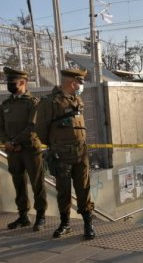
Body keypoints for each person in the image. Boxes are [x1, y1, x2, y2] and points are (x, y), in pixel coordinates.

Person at [35, 68, 95, 240]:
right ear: (72, 83)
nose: (81, 86)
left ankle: (88, 223)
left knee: (84, 189)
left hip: (81, 153)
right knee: (63, 191)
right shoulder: (49, 102)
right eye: (80, 82)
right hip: (61, 155)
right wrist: (56, 145)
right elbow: (41, 130)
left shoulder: (77, 99)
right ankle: (65, 224)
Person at [0, 67, 47, 231]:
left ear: (23, 82)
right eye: (8, 82)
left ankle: (40, 215)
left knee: (37, 183)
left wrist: (15, 141)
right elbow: (1, 127)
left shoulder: (33, 103)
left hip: (30, 149)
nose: (9, 85)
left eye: (12, 82)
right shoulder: (6, 104)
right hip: (13, 151)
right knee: (18, 182)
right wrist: (7, 142)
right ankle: (23, 216)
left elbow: (32, 126)